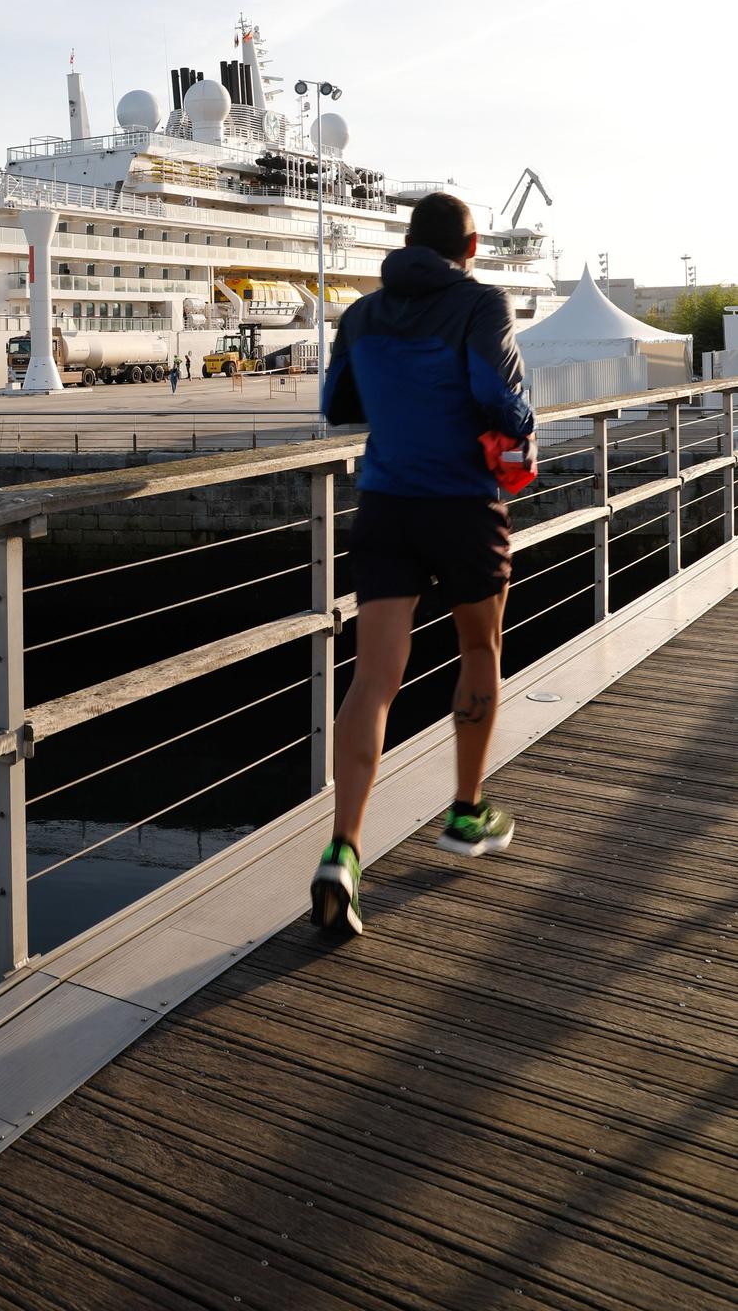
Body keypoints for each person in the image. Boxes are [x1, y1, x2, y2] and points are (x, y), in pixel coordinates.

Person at [309, 191, 535, 938]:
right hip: (464, 506)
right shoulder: (481, 303)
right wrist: (519, 426)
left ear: (406, 242)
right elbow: (498, 398)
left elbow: (337, 404)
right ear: (469, 247)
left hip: (384, 504)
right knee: (478, 649)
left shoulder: (360, 315)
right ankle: (466, 812)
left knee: (372, 678)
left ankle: (343, 849)